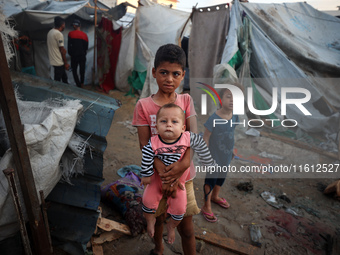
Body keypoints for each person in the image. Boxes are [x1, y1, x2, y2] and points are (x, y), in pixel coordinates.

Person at [132, 43, 199, 255]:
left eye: (175, 74)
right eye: (163, 72)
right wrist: (163, 173)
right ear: (154, 73)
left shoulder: (186, 101)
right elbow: (145, 145)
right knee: (158, 216)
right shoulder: (143, 106)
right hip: (155, 175)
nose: (169, 79)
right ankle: (159, 249)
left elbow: (193, 137)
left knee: (186, 228)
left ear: (183, 75)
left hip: (183, 176)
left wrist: (184, 165)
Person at [141, 103, 215, 244]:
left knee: (180, 208)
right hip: (158, 178)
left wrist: (208, 163)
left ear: (182, 128)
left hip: (180, 181)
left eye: (174, 121)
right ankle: (150, 220)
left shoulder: (187, 137)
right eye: (163, 121)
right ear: (156, 128)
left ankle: (171, 226)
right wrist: (146, 174)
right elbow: (146, 156)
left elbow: (200, 144)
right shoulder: (153, 142)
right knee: (147, 200)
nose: (169, 125)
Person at [201, 86, 241, 222]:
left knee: (221, 177)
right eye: (228, 96)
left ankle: (215, 196)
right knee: (211, 179)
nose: (232, 100)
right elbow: (205, 138)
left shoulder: (235, 116)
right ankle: (206, 205)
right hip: (213, 157)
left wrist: (232, 150)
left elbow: (231, 134)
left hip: (226, 156)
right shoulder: (213, 118)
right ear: (220, 99)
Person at [47, 16, 69, 83]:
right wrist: (66, 63)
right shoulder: (59, 34)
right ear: (62, 25)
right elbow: (62, 50)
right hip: (58, 61)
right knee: (58, 81)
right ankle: (55, 93)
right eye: (64, 24)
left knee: (64, 78)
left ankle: (66, 90)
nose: (64, 26)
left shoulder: (50, 32)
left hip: (54, 60)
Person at [68, 19, 89, 88]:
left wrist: (71, 54)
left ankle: (78, 84)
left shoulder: (70, 34)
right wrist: (83, 53)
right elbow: (86, 47)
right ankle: (82, 84)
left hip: (74, 56)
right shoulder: (85, 35)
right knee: (82, 70)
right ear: (80, 26)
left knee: (74, 70)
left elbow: (69, 47)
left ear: (74, 25)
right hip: (82, 55)